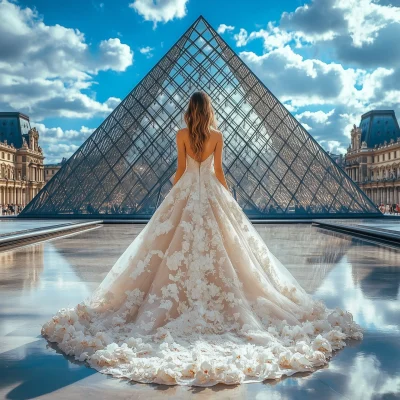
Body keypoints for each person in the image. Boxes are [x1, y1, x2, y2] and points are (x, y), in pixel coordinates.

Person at [41, 91, 362, 386]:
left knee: (168, 246)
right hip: (210, 194)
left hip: (186, 193)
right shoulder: (219, 136)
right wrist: (227, 198)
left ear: (189, 113)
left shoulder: (181, 135)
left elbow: (181, 171)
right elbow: (219, 172)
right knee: (230, 248)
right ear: (209, 112)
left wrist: (173, 195)